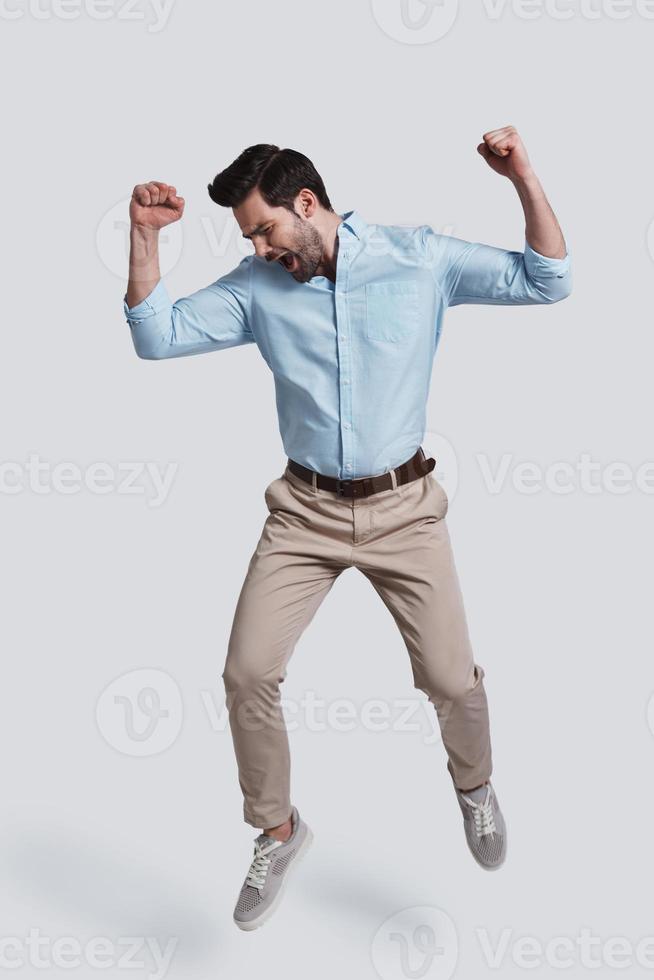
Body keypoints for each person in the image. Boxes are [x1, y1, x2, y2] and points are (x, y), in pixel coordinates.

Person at [122, 129, 572, 930]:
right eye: (249, 238)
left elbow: (548, 280)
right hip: (304, 513)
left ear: (307, 205)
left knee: (448, 678)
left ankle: (474, 786)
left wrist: (525, 179)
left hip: (406, 510)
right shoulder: (261, 286)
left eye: (264, 229)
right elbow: (157, 337)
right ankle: (279, 830)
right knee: (246, 672)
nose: (260, 248)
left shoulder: (419, 257)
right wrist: (145, 240)